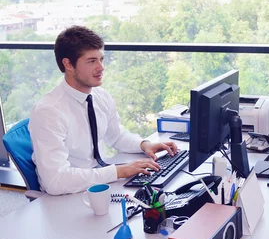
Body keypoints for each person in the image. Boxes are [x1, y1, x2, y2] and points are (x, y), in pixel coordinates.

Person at [29, 25, 178, 195]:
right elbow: (56, 181)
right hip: (70, 193)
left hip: (102, 182)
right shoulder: (49, 112)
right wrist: (118, 171)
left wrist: (145, 145)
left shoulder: (100, 96)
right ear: (68, 64)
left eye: (101, 59)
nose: (101, 67)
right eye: (92, 61)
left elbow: (116, 136)